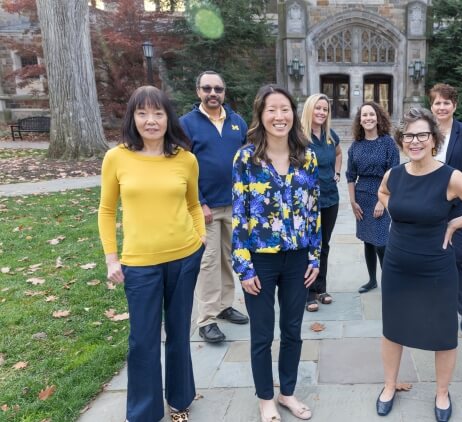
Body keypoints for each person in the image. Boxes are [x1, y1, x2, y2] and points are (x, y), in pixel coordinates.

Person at [376, 108, 462, 422]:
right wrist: (398, 211)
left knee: (443, 332)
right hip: (397, 264)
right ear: (401, 140)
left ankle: (442, 392)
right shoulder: (395, 174)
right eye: (408, 135)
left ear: (434, 139)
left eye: (422, 134)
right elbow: (382, 192)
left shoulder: (450, 176)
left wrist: (456, 222)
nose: (415, 141)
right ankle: (389, 385)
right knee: (393, 328)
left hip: (435, 266)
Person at [98, 86, 206, 422]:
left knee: (178, 334)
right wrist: (111, 258)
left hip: (184, 258)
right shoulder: (116, 158)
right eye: (142, 113)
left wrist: (200, 239)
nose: (151, 120)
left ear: (167, 117)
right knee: (142, 340)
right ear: (132, 118)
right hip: (140, 264)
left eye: (158, 113)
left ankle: (180, 398)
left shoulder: (185, 159)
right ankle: (144, 412)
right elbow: (105, 210)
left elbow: (193, 204)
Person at [231, 84, 321, 422]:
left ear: (293, 114)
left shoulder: (307, 157)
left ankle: (287, 393)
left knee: (293, 330)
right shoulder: (246, 158)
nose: (279, 116)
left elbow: (314, 212)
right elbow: (239, 214)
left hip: (298, 258)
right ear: (261, 114)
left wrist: (315, 257)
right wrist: (243, 266)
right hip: (260, 260)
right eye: (272, 109)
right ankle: (265, 398)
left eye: (285, 109)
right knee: (262, 333)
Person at [180, 70, 249, 344]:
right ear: (198, 91)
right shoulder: (186, 124)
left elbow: (245, 161)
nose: (213, 94)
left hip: (234, 204)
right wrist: (199, 202)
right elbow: (182, 167)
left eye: (218, 89)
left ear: (224, 92)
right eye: (207, 88)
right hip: (204, 208)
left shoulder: (237, 122)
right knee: (208, 263)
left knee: (229, 258)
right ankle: (206, 319)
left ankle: (224, 306)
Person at [429, 83, 462, 334]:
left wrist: (458, 194)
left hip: (460, 205)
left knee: (459, 256)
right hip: (429, 204)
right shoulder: (425, 131)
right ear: (432, 106)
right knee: (434, 255)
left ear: (454, 106)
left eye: (446, 102)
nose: (442, 107)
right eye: (437, 102)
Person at [346, 101, 400, 294]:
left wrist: (381, 200)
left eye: (371, 114)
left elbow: (393, 173)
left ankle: (389, 282)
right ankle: (371, 280)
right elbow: (350, 176)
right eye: (364, 115)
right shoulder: (355, 146)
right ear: (360, 121)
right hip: (361, 197)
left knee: (381, 242)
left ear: (378, 118)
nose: (368, 118)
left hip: (382, 194)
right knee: (367, 241)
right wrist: (352, 202)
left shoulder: (388, 143)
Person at [300, 93, 342, 312]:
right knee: (308, 245)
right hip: (306, 202)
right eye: (318, 108)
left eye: (325, 109)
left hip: (330, 198)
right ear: (309, 109)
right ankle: (307, 293)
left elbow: (338, 153)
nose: (321, 112)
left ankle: (320, 287)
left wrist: (337, 172)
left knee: (324, 245)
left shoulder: (329, 135)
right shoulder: (298, 136)